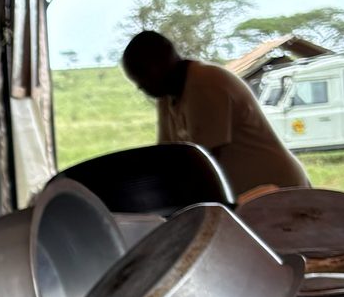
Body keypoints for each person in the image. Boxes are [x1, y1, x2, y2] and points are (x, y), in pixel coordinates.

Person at [119, 30, 308, 197]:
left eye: (143, 78)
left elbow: (202, 162)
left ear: (160, 64)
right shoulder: (167, 96)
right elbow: (167, 157)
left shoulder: (205, 83)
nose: (141, 87)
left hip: (276, 191)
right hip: (248, 197)